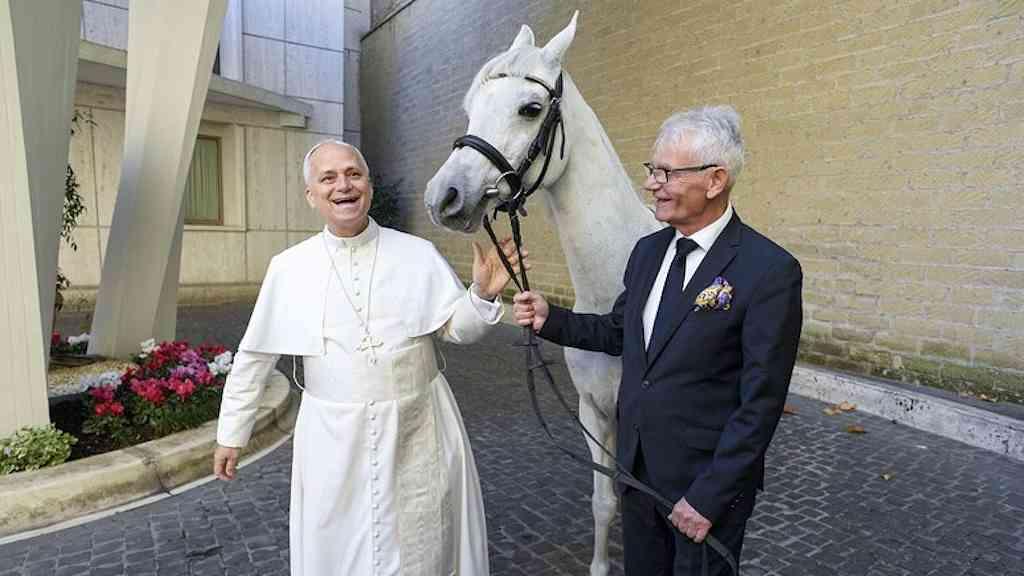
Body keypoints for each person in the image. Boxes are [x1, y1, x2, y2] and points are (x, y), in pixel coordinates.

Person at [213, 140, 525, 576]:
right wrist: (232, 431)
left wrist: (481, 296)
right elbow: (254, 357)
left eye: (353, 174)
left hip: (420, 425)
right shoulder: (289, 268)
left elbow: (458, 329)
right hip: (332, 439)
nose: (344, 185)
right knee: (341, 552)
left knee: (426, 544)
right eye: (328, 177)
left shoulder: (416, 254)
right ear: (311, 195)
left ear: (370, 187)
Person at [513, 106, 802, 575]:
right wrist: (553, 319)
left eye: (666, 173)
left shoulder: (769, 271)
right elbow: (617, 331)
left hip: (704, 493)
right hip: (636, 474)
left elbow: (760, 404)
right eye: (652, 171)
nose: (651, 184)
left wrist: (709, 498)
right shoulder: (648, 252)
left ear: (715, 181)